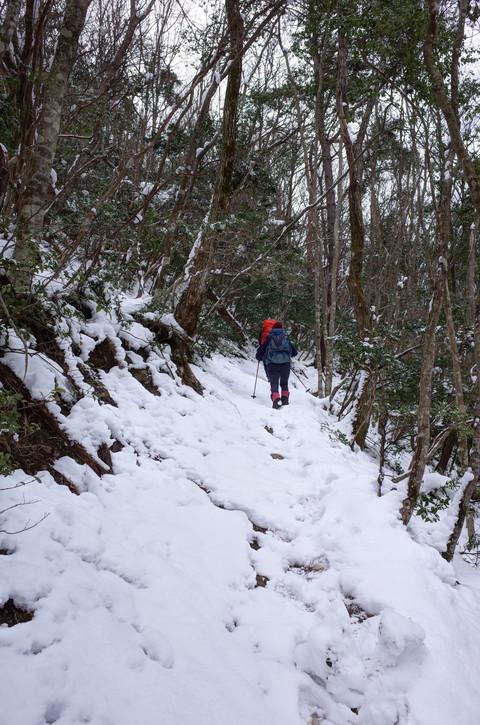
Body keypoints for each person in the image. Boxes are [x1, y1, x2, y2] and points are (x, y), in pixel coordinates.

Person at [255, 321, 298, 409]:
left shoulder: (269, 338)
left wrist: (259, 357)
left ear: (272, 329)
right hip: (285, 364)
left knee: (274, 383)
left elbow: (261, 350)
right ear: (282, 329)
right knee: (284, 383)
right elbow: (294, 352)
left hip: (272, 364)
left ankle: (276, 400)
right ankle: (285, 399)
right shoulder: (285, 338)